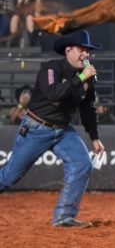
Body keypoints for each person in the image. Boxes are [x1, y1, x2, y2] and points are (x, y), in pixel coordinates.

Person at [0, 30, 104, 227]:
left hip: (63, 130)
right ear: (68, 50)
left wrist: (95, 138)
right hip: (36, 128)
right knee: (9, 176)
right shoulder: (51, 68)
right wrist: (81, 78)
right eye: (82, 49)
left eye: (88, 51)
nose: (86, 54)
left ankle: (64, 216)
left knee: (82, 164)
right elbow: (53, 94)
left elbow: (88, 108)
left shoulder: (87, 78)